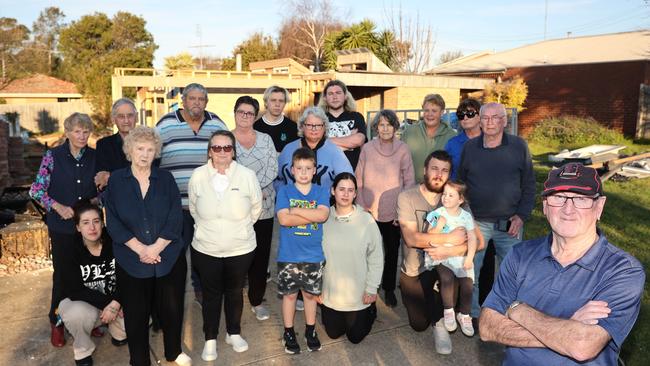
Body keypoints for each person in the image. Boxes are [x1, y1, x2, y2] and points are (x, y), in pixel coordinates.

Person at [480, 163, 645, 365]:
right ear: (545, 205)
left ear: (599, 206)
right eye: (559, 197)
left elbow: (581, 345)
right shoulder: (520, 255)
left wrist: (516, 309)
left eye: (581, 199)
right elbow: (487, 327)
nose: (568, 209)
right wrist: (567, 328)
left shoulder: (623, 271)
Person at [104, 126, 190, 366]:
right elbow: (113, 221)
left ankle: (173, 352)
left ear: (156, 153)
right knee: (136, 314)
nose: (145, 154)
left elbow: (175, 217)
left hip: (168, 256)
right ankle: (139, 359)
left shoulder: (165, 179)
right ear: (129, 150)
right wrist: (142, 249)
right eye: (140, 148)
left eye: (150, 150)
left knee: (172, 309)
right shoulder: (117, 181)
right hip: (132, 260)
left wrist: (156, 248)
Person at [397, 150, 484, 354]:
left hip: (445, 265)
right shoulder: (407, 197)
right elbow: (411, 239)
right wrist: (449, 238)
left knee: (449, 279)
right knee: (418, 324)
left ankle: (441, 324)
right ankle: (434, 314)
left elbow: (479, 242)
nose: (439, 174)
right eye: (434, 168)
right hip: (414, 268)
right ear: (425, 170)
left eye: (445, 171)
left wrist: (451, 250)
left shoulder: (455, 200)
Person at [188, 130, 262, 361]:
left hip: (240, 249)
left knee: (234, 292)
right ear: (210, 151)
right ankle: (210, 338)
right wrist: (207, 230)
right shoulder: (198, 176)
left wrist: (237, 230)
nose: (222, 152)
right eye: (217, 148)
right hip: (206, 249)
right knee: (211, 295)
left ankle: (233, 332)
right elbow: (193, 208)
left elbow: (256, 208)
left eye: (227, 148)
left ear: (233, 151)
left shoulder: (247, 175)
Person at [458, 102, 536, 321]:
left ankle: (506, 316)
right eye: (485, 117)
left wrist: (521, 216)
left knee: (513, 275)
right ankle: (471, 315)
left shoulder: (519, 146)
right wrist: (467, 217)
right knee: (471, 272)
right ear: (480, 121)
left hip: (509, 223)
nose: (490, 122)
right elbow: (461, 185)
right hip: (477, 223)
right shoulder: (470, 148)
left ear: (504, 121)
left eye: (495, 117)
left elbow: (529, 185)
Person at [29, 112, 97, 347]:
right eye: (77, 131)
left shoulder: (95, 158)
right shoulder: (52, 156)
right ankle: (56, 323)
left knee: (88, 274)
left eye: (86, 131)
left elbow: (101, 190)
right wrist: (56, 206)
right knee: (63, 277)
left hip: (88, 230)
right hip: (62, 229)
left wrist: (95, 204)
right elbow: (36, 190)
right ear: (67, 133)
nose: (81, 135)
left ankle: (88, 321)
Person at [156, 82, 227, 304]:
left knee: (204, 251)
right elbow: (152, 158)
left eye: (201, 99)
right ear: (183, 101)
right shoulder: (166, 124)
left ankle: (201, 289)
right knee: (175, 251)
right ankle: (171, 292)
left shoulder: (216, 123)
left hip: (207, 203)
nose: (196, 103)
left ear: (206, 102)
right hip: (174, 205)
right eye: (192, 98)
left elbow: (228, 154)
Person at [355, 109, 415, 307]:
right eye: (381, 124)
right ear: (376, 128)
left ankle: (388, 288)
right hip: (369, 210)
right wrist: (362, 206)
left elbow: (409, 181)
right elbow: (359, 178)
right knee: (368, 251)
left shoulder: (403, 149)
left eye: (389, 124)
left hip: (394, 212)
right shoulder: (367, 148)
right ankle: (367, 286)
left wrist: (402, 211)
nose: (385, 128)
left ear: (395, 127)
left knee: (391, 253)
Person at [275, 147, 330, 354]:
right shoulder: (285, 191)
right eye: (299, 168)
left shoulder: (321, 191)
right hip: (289, 254)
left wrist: (295, 210)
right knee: (289, 296)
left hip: (313, 255)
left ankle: (310, 330)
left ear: (315, 169)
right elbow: (283, 219)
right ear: (292, 169)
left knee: (309, 296)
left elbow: (322, 216)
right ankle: (288, 332)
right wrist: (311, 213)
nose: (304, 172)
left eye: (308, 168)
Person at [59, 202, 126, 366]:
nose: (92, 227)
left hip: (114, 303)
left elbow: (127, 277)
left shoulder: (115, 244)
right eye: (86, 222)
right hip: (86, 305)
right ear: (78, 227)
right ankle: (82, 349)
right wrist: (108, 305)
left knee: (142, 312)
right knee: (77, 314)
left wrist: (117, 302)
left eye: (96, 221)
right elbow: (74, 290)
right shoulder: (69, 250)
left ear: (103, 223)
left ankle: (118, 332)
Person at [320, 172, 383, 344]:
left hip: (358, 295)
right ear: (333, 191)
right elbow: (314, 255)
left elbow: (376, 257)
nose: (346, 194)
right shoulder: (322, 218)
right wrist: (316, 287)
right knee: (333, 333)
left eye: (350, 190)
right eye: (341, 189)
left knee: (355, 337)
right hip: (332, 294)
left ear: (355, 194)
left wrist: (371, 288)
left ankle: (371, 310)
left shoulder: (366, 221)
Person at [231, 96, 278, 322]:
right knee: (238, 256)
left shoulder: (266, 139)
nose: (245, 116)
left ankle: (257, 300)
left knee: (260, 257)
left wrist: (254, 192)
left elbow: (272, 169)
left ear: (255, 116)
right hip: (235, 209)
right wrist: (249, 193)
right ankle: (233, 301)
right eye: (241, 112)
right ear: (235, 113)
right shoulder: (226, 139)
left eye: (250, 113)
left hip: (264, 209)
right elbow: (224, 170)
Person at [424, 181, 478, 337]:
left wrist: (470, 257)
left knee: (467, 284)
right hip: (441, 256)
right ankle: (448, 310)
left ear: (460, 200)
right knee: (447, 278)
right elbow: (428, 235)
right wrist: (439, 226)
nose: (446, 197)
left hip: (460, 256)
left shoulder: (466, 216)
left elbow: (472, 238)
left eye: (451, 195)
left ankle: (464, 314)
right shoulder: (437, 214)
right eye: (444, 194)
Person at [276, 106, 353, 190]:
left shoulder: (335, 152)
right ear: (302, 126)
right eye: (309, 125)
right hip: (290, 201)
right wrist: (282, 192)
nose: (314, 129)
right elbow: (277, 178)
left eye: (318, 125)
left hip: (324, 202)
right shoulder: (288, 149)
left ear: (324, 127)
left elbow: (348, 181)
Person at [401, 94, 457, 183]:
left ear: (442, 112)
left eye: (434, 111)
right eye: (426, 110)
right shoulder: (409, 132)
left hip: (440, 190)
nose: (430, 114)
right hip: (412, 189)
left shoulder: (451, 136)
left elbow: (454, 166)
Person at [318, 79, 367, 169]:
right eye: (330, 94)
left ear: (345, 96)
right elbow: (315, 144)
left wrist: (325, 141)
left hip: (351, 172)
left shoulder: (356, 117)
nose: (335, 97)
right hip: (324, 173)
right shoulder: (318, 119)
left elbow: (359, 140)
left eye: (338, 93)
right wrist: (348, 144)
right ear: (325, 98)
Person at [94, 98, 137, 191]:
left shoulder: (148, 143)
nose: (126, 121)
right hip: (115, 200)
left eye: (130, 115)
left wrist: (111, 175)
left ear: (136, 117)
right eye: (121, 116)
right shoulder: (104, 145)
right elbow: (102, 181)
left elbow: (150, 174)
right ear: (113, 120)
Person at [444, 98, 481, 180]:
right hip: (458, 191)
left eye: (470, 113)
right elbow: (445, 172)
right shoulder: (452, 144)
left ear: (479, 116)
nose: (465, 118)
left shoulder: (490, 141)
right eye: (461, 115)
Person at [254, 85, 298, 152]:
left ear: (285, 103)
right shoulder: (255, 127)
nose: (277, 104)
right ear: (266, 102)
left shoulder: (293, 127)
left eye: (281, 101)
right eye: (273, 100)